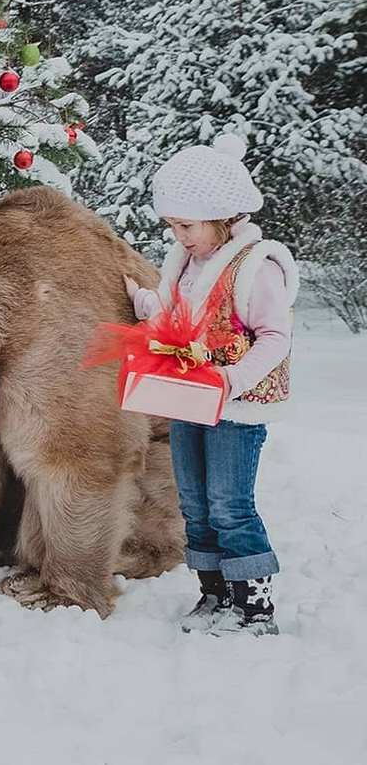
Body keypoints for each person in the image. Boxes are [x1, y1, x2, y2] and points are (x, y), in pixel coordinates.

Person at [123, 134, 298, 635]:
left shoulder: (255, 269)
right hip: (189, 400)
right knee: (195, 503)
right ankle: (215, 593)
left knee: (230, 504)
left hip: (237, 408)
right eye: (172, 226)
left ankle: (255, 605)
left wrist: (231, 378)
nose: (178, 236)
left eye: (187, 225)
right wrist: (146, 304)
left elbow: (275, 336)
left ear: (225, 217)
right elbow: (181, 318)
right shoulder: (188, 264)